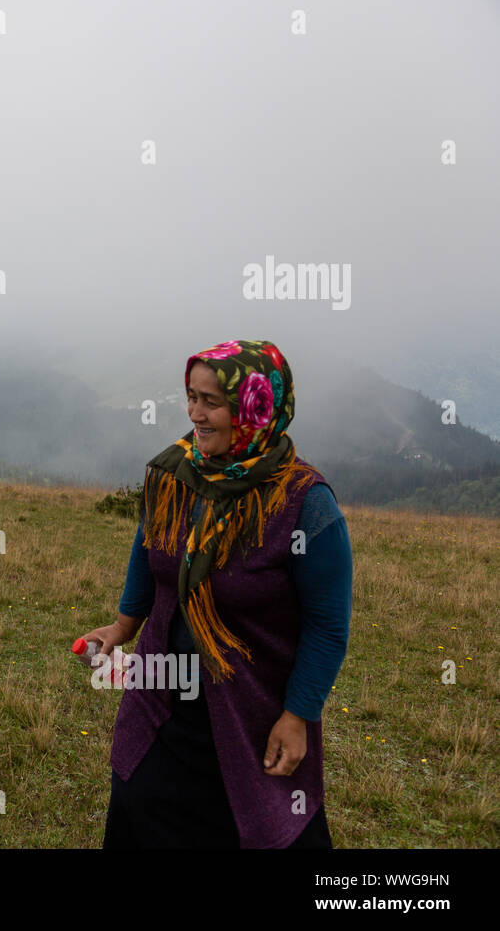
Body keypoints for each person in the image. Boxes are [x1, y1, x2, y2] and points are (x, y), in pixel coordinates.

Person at [82, 339, 351, 848]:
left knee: (262, 827)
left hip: (254, 712)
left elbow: (327, 626)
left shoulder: (303, 505)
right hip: (163, 699)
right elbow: (149, 547)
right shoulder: (174, 474)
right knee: (143, 813)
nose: (195, 414)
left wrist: (298, 716)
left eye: (211, 401)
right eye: (190, 397)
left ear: (254, 407)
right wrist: (123, 626)